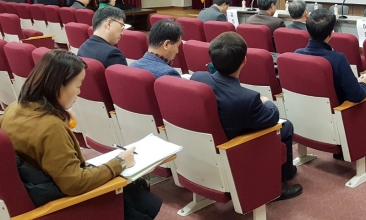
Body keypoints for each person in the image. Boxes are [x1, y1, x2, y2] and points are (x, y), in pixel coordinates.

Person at [0, 50, 162, 219]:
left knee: (134, 191)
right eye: (77, 86)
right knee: (130, 188)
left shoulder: (14, 108)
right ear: (59, 86)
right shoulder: (50, 127)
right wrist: (119, 162)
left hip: (35, 186)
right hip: (61, 203)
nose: (79, 92)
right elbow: (74, 183)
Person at [190, 32, 302, 201]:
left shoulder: (197, 77)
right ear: (244, 61)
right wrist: (265, 102)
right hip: (237, 145)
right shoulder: (247, 98)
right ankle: (280, 182)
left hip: (206, 143)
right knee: (285, 126)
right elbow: (272, 117)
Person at [295, 9, 366, 104]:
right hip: (338, 114)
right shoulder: (338, 59)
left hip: (305, 110)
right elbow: (356, 96)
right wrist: (363, 84)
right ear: (331, 34)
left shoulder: (297, 54)